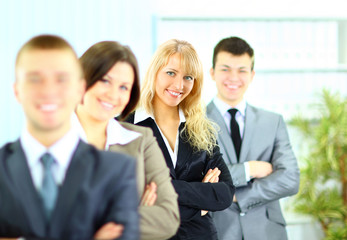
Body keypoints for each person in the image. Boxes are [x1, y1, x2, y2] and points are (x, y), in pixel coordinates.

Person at [0, 35, 139, 239]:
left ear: (79, 89)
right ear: (17, 90)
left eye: (61, 79)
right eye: (35, 79)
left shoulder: (117, 172)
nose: (49, 91)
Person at [127, 39, 235, 240]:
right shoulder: (126, 127)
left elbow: (225, 192)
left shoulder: (202, 128)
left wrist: (160, 188)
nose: (179, 84)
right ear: (155, 72)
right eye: (171, 73)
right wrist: (201, 200)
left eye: (188, 77)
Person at [74, 41, 180, 240]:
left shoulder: (141, 140)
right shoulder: (50, 137)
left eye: (124, 87)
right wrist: (130, 211)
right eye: (105, 81)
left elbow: (168, 218)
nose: (113, 94)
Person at [206, 36, 300, 240]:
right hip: (217, 231)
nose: (233, 77)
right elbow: (197, 178)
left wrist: (237, 195)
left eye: (242, 70)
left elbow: (290, 178)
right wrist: (249, 169)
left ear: (252, 74)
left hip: (267, 232)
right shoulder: (194, 122)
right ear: (212, 72)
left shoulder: (273, 121)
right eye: (225, 69)